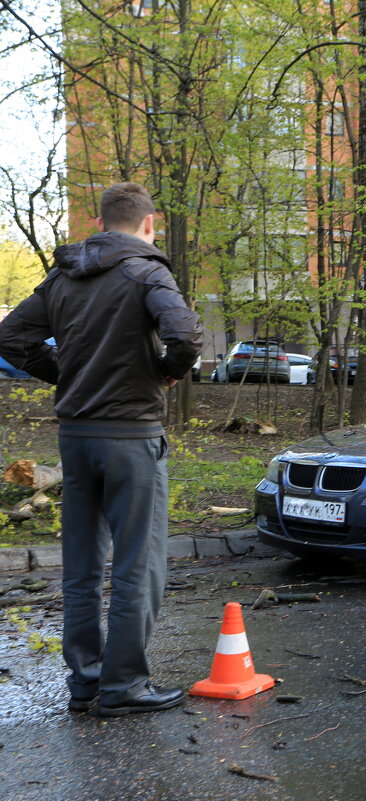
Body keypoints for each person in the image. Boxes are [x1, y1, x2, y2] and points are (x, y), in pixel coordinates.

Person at [0, 183, 203, 715]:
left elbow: (11, 338)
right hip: (131, 436)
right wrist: (164, 374)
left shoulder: (63, 276)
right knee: (140, 563)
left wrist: (63, 374)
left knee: (83, 564)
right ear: (149, 224)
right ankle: (123, 687)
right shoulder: (147, 270)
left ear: (100, 220)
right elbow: (184, 334)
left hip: (76, 437)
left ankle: (85, 682)